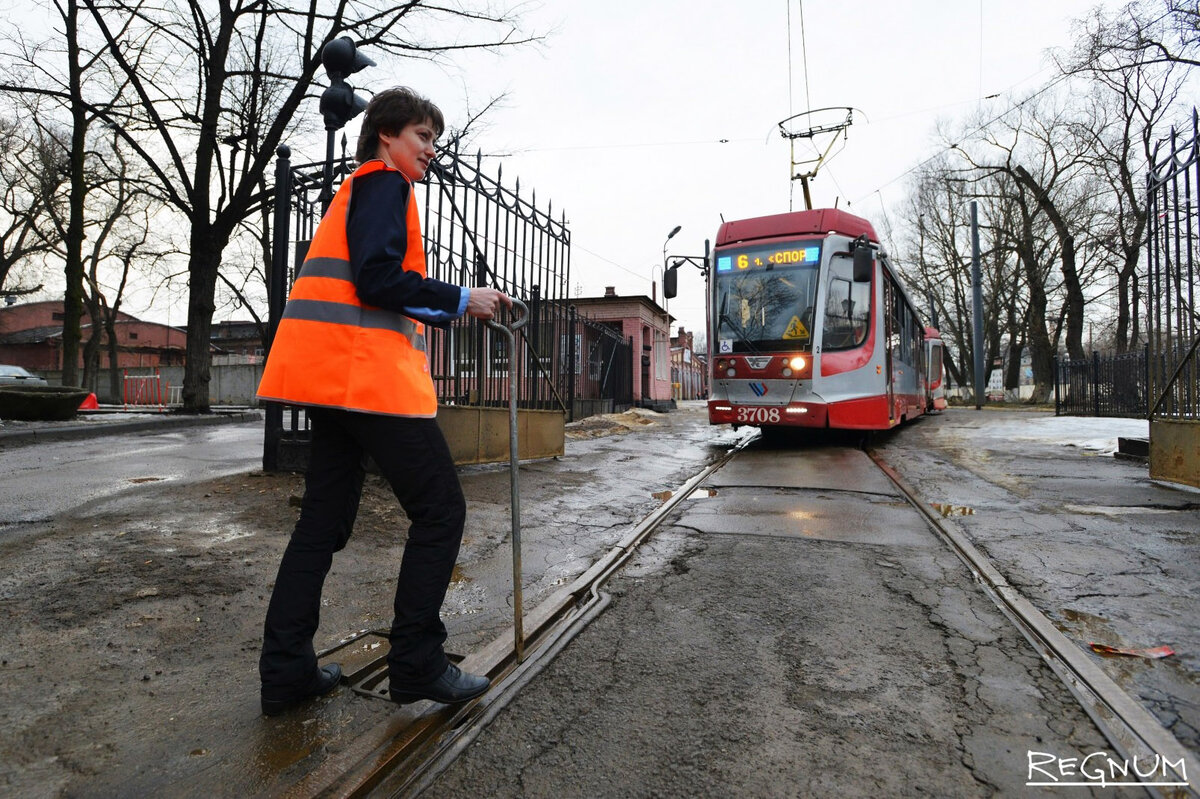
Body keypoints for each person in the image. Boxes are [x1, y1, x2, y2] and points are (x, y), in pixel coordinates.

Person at [255, 86, 511, 717]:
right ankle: (418, 663)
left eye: (434, 139)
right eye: (423, 137)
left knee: (322, 523)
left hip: (331, 382)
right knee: (441, 511)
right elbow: (377, 278)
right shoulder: (384, 185)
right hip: (367, 382)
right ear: (387, 136)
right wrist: (462, 299)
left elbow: (363, 281)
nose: (431, 149)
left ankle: (287, 671)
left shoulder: (357, 190)